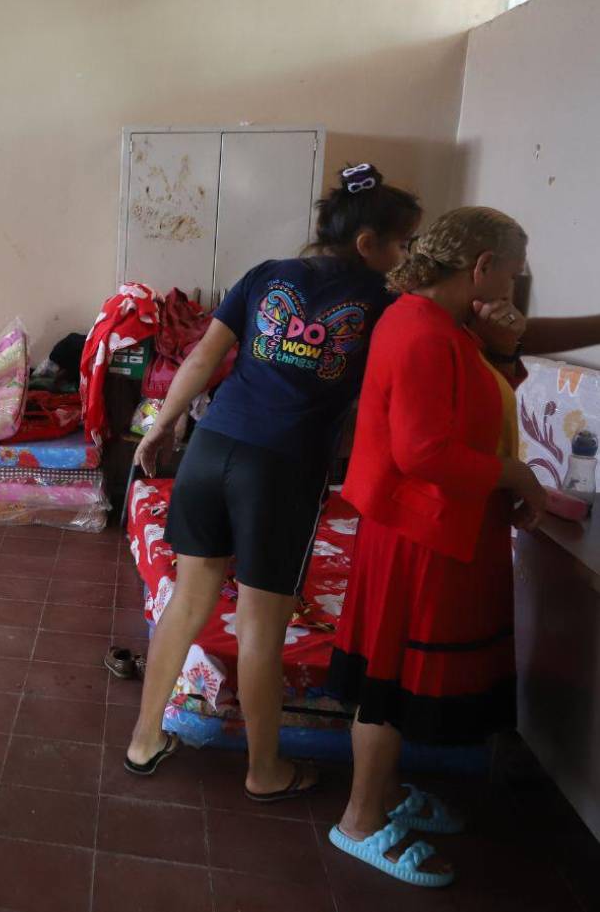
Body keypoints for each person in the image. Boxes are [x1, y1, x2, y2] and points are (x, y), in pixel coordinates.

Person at [125, 164, 423, 798]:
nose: (404, 258)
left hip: (210, 452)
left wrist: (159, 429)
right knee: (262, 624)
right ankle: (265, 772)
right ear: (368, 243)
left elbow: (205, 356)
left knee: (188, 599)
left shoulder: (266, 275)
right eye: (402, 244)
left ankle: (144, 740)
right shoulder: (385, 304)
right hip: (280, 471)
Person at [324, 208, 547, 887]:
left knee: (393, 678)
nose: (516, 282)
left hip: (431, 526)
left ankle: (385, 794)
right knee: (385, 686)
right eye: (513, 269)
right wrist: (515, 472)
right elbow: (423, 450)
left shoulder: (444, 326)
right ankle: (359, 822)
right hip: (415, 532)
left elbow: (476, 408)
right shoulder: (421, 331)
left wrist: (505, 352)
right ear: (481, 266)